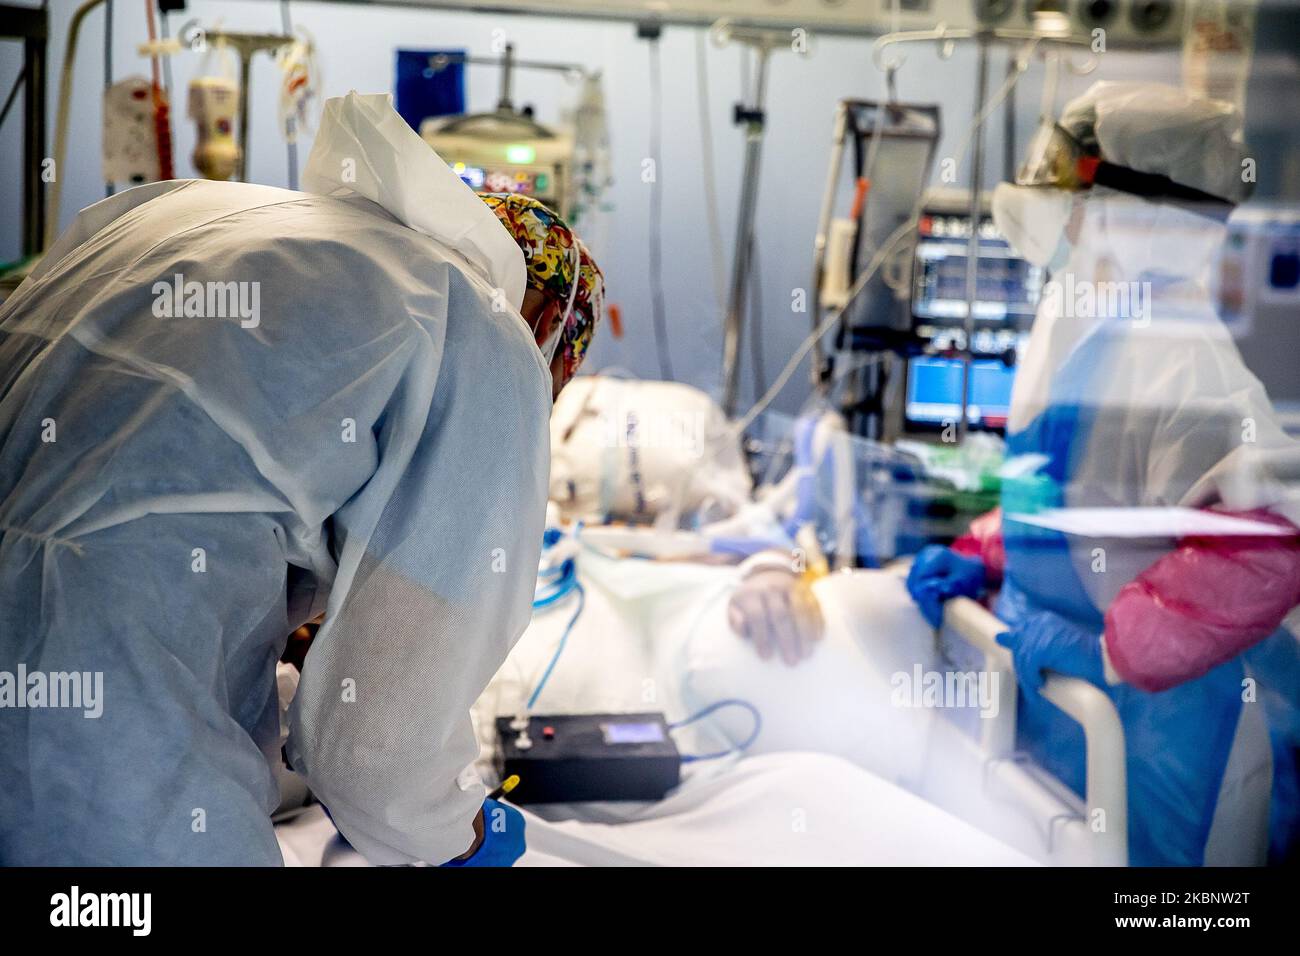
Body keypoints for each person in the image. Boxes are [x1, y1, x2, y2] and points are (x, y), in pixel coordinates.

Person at [0, 92, 602, 866]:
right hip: (116, 738)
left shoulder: (189, 212)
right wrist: (459, 833)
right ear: (546, 333)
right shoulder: (483, 329)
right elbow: (381, 752)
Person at [731, 82, 1300, 865]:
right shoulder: (1089, 334)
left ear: (1143, 216)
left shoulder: (1182, 359)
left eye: (1078, 194)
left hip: (1158, 728)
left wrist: (1112, 652)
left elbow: (1265, 544)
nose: (1062, 216)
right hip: (1068, 715)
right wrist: (984, 555)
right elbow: (1068, 500)